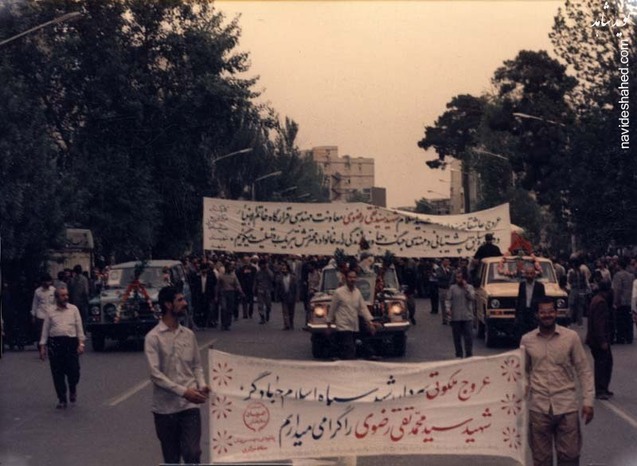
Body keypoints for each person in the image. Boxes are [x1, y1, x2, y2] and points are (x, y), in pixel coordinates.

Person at [521, 297, 595, 466]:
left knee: (570, 457)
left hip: (566, 407)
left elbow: (583, 370)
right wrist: (523, 389)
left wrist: (588, 401)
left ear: (556, 313)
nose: (547, 315)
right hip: (539, 409)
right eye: (543, 312)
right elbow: (522, 371)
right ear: (537, 314)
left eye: (550, 311)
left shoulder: (571, 337)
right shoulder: (527, 340)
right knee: (541, 460)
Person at [144, 286, 209, 465]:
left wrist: (202, 385)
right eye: (180, 300)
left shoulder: (188, 335)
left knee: (192, 452)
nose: (185, 303)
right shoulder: (153, 338)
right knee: (172, 459)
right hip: (165, 409)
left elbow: (197, 366)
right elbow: (155, 375)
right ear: (168, 304)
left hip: (189, 407)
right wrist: (184, 391)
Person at [39, 287, 86, 409]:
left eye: (67, 295)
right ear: (56, 297)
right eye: (63, 295)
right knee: (57, 373)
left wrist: (81, 344)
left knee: (74, 371)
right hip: (56, 344)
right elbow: (45, 330)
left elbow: (79, 328)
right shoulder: (50, 311)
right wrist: (42, 347)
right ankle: (62, 398)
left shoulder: (73, 309)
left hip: (71, 343)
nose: (66, 297)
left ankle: (72, 388)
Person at [326, 269, 378, 360]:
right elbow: (332, 309)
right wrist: (329, 324)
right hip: (343, 325)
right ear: (346, 278)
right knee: (349, 353)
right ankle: (338, 355)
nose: (352, 279)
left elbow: (363, 308)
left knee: (364, 336)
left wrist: (370, 322)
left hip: (354, 324)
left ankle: (369, 354)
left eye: (354, 277)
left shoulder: (357, 292)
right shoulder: (339, 292)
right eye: (350, 277)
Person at [586, 279, 614, 400]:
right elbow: (599, 324)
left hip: (595, 339)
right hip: (598, 340)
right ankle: (600, 389)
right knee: (602, 365)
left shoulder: (596, 299)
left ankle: (603, 388)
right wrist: (602, 341)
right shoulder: (601, 302)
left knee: (605, 363)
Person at [445, 270, 475, 358]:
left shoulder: (470, 287)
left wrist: (466, 288)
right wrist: (448, 309)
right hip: (456, 317)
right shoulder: (452, 288)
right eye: (457, 278)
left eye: (461, 278)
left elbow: (472, 298)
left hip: (467, 316)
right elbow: (448, 299)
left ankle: (469, 354)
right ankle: (459, 354)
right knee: (457, 337)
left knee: (468, 337)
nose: (459, 279)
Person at [514, 264, 546, 342]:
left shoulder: (540, 286)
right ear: (525, 274)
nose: (529, 276)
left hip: (534, 312)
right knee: (523, 334)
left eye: (531, 273)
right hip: (523, 312)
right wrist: (517, 315)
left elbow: (542, 300)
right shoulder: (522, 285)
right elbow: (519, 299)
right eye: (527, 273)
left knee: (534, 333)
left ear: (534, 275)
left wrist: (540, 313)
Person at [612, 257, 634, 344]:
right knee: (628, 319)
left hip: (621, 301)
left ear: (619, 265)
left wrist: (615, 301)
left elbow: (617, 289)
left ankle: (621, 337)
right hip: (629, 300)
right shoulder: (631, 276)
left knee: (620, 320)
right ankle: (629, 337)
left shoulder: (618, 275)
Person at [30, 273, 56, 348]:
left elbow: (56, 302)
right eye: (46, 281)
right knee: (41, 333)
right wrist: (33, 315)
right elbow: (35, 303)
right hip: (41, 315)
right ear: (42, 282)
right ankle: (41, 346)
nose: (48, 283)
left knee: (50, 332)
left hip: (51, 314)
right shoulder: (37, 291)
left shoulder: (53, 290)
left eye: (49, 281)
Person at [216, 262, 243, 331]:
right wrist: (216, 295)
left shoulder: (233, 275)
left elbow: (237, 284)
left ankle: (228, 324)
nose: (231, 268)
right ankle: (223, 323)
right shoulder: (221, 276)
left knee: (230, 309)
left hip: (231, 293)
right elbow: (218, 286)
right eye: (230, 267)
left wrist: (241, 291)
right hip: (223, 293)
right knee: (223, 308)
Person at [276, 262, 298, 330]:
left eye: (285, 269)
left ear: (288, 270)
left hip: (291, 296)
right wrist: (278, 296)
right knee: (285, 311)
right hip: (284, 296)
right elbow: (278, 288)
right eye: (283, 269)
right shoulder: (280, 278)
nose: (284, 270)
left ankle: (291, 323)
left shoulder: (293, 277)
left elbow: (296, 287)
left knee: (291, 311)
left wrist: (297, 296)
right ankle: (286, 325)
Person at [68, 265, 90, 330]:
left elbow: (70, 291)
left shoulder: (72, 280)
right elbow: (86, 291)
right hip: (83, 301)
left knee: (75, 317)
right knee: (84, 318)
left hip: (74, 302)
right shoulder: (84, 279)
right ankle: (83, 330)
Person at [255, 258, 274, 324]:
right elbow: (256, 281)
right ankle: (262, 317)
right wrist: (254, 289)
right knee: (260, 305)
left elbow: (272, 277)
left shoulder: (269, 271)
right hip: (260, 289)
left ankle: (267, 313)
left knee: (268, 304)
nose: (262, 266)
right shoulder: (258, 273)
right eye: (261, 265)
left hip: (267, 290)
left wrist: (267, 269)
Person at [436, 258, 454, 325]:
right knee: (443, 304)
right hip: (442, 288)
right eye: (445, 261)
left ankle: (451, 318)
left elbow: (453, 277)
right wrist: (447, 275)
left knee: (451, 303)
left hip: (449, 288)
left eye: (448, 261)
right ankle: (444, 319)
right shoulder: (438, 269)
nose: (447, 262)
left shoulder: (451, 269)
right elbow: (439, 276)